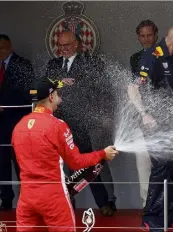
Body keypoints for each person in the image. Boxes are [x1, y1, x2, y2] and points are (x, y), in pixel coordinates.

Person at [11, 77, 119, 232]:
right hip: (53, 196)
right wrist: (103, 154)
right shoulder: (57, 125)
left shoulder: (19, 125)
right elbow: (76, 162)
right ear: (51, 96)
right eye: (57, 92)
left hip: (26, 197)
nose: (59, 97)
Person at [128, 24, 173, 231]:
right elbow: (134, 88)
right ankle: (151, 218)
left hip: (171, 124)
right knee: (161, 168)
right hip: (154, 124)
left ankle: (170, 216)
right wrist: (144, 114)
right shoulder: (151, 56)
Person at [45, 31, 116, 216]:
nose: (63, 49)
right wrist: (59, 83)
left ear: (77, 44)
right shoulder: (53, 64)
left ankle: (103, 203)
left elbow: (97, 89)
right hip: (55, 122)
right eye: (60, 46)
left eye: (67, 45)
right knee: (58, 166)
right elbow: (43, 86)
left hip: (79, 122)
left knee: (86, 161)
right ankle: (66, 206)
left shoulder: (89, 63)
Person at [0, 34, 34, 210]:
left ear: (10, 46)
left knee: (21, 163)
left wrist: (6, 106)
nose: (0, 52)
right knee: (1, 163)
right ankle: (5, 200)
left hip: (17, 122)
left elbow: (29, 93)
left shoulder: (23, 64)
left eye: (3, 47)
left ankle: (25, 201)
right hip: (0, 125)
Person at [128, 20, 158, 207]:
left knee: (163, 165)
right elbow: (136, 87)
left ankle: (163, 207)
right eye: (142, 36)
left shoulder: (166, 55)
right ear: (138, 37)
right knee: (143, 163)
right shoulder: (135, 58)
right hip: (142, 115)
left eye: (149, 35)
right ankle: (146, 206)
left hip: (163, 116)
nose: (146, 39)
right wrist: (142, 112)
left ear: (156, 35)